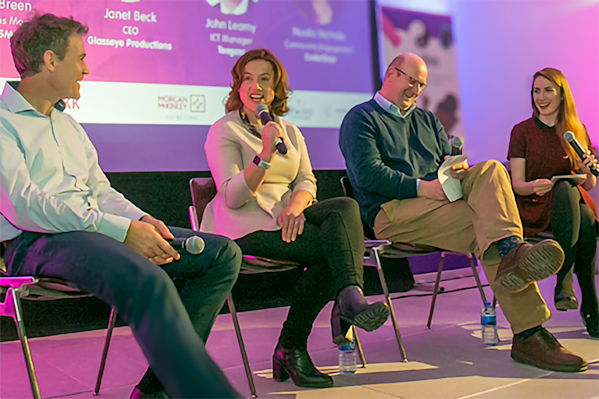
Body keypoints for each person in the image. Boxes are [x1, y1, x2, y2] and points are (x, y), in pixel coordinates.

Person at [0, 13, 243, 399]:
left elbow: (99, 190)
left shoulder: (69, 126)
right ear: (49, 60)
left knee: (222, 254)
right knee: (147, 277)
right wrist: (121, 231)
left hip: (94, 231)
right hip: (36, 242)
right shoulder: (3, 122)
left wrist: (141, 219)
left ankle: (155, 390)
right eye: (79, 58)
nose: (87, 68)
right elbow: (24, 206)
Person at [339, 52, 588, 373]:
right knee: (488, 228)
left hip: (439, 202)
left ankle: (512, 253)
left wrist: (454, 171)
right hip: (391, 211)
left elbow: (445, 162)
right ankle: (529, 332)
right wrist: (422, 187)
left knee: (491, 171)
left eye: (421, 84)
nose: (416, 89)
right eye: (411, 81)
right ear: (391, 74)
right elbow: (367, 174)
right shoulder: (361, 118)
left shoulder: (427, 120)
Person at [201, 48, 389, 388]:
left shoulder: (288, 129)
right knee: (328, 253)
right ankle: (294, 345)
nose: (255, 86)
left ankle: (347, 297)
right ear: (237, 88)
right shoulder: (224, 130)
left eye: (264, 79)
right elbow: (232, 195)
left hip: (284, 217)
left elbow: (306, 181)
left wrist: (295, 207)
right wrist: (265, 153)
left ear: (275, 90)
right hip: (242, 225)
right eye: (247, 78)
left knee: (345, 208)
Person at [508, 67, 599, 338]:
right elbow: (517, 184)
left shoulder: (576, 130)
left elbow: (589, 185)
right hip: (534, 206)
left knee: (574, 200)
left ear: (562, 95)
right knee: (577, 208)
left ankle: (565, 284)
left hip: (569, 207)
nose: (541, 97)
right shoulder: (521, 131)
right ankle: (589, 303)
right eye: (536, 91)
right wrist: (533, 186)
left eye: (548, 90)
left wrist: (587, 169)